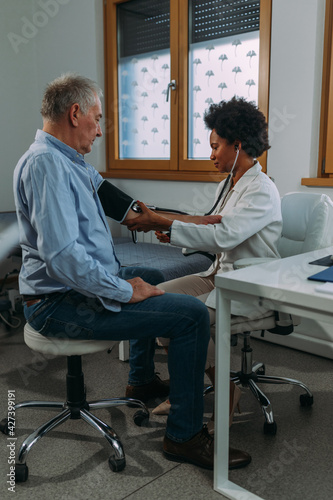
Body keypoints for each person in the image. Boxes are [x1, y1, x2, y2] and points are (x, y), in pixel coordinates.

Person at [13, 74, 251, 471]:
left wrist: (174, 219)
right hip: (57, 304)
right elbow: (63, 258)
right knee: (191, 315)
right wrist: (123, 290)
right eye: (97, 118)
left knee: (151, 276)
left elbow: (120, 203)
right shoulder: (46, 165)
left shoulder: (70, 161)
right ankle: (185, 436)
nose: (101, 130)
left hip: (71, 291)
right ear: (75, 114)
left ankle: (140, 379)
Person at [124, 97, 283, 424]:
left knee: (178, 318)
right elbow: (209, 220)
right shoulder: (231, 183)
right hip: (219, 273)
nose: (210, 155)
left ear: (237, 146)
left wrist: (161, 223)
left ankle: (213, 391)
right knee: (157, 302)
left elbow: (223, 236)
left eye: (215, 147)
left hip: (248, 284)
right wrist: (161, 219)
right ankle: (190, 388)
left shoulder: (262, 191)